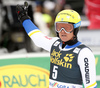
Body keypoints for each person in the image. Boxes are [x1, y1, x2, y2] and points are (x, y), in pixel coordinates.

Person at [16, 2, 97, 88]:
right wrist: (24, 18)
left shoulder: (84, 53)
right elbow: (38, 38)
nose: (62, 31)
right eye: (59, 27)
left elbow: (91, 86)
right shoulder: (54, 43)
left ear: (76, 29)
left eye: (67, 28)